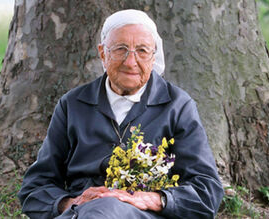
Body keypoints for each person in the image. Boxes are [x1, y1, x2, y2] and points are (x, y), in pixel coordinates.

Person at [18, 9, 223, 218]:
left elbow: (206, 192)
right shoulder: (73, 105)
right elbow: (35, 188)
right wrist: (71, 202)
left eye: (142, 50)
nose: (130, 62)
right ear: (102, 53)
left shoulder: (177, 106)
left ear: (154, 57)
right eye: (120, 49)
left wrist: (151, 198)